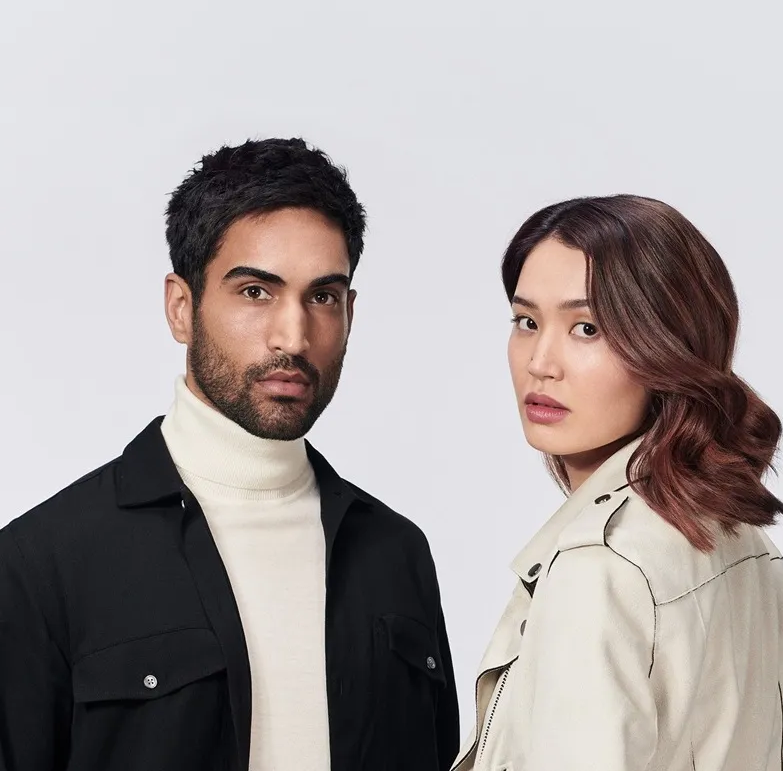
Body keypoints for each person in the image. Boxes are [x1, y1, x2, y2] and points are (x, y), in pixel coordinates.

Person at [0, 138, 459, 771]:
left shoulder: (395, 552)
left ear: (350, 312)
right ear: (181, 307)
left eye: (322, 297)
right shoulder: (41, 563)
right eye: (255, 292)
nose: (293, 337)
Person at [452, 195, 783, 771]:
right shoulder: (746, 545)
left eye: (586, 328)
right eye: (527, 322)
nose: (541, 362)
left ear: (666, 346)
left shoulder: (598, 571)